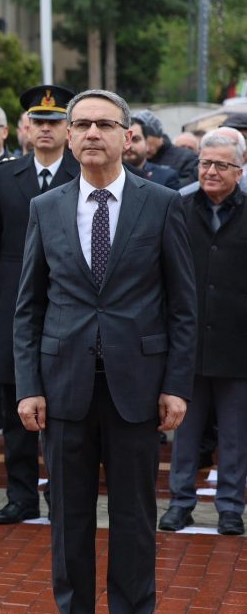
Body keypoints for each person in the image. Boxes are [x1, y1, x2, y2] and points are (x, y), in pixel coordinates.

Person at [14, 89, 196, 612]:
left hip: (137, 388)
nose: (93, 133)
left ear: (127, 136)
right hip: (63, 387)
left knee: (134, 517)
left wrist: (176, 385)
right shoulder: (45, 207)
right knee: (67, 518)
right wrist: (28, 387)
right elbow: (28, 306)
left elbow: (183, 307)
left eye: (105, 124)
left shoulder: (161, 203)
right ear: (69, 136)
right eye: (83, 124)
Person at [0, 84, 80, 524]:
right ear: (26, 127)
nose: (45, 129)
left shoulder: (82, 172)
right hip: (14, 305)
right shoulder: (6, 175)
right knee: (15, 405)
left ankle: (62, 494)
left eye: (54, 122)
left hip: (67, 306)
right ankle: (20, 495)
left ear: (67, 129)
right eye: (38, 122)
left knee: (65, 406)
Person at [159, 129, 247, 537]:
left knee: (235, 434)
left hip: (238, 343)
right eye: (205, 163)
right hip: (186, 341)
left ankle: (230, 507)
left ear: (240, 170)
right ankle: (180, 503)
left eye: (221, 165)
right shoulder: (177, 205)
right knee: (185, 431)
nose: (210, 171)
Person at [132, 109, 198, 188]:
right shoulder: (130, 158)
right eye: (133, 140)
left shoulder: (186, 158)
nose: (146, 148)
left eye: (147, 141)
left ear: (159, 137)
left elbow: (186, 188)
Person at [124, 118, 178, 189]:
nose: (129, 145)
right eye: (125, 140)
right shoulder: (110, 178)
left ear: (147, 144)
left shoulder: (166, 177)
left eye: (136, 139)